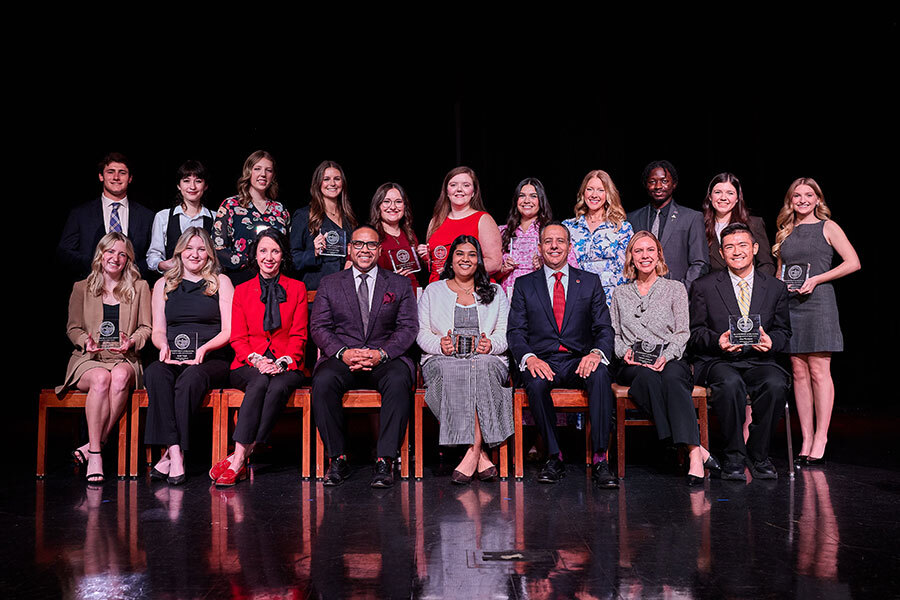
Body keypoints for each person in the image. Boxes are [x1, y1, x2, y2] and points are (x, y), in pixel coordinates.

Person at [507, 223, 617, 488]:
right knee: (534, 381)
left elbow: (603, 327)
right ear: (540, 247)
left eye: (560, 241)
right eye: (548, 241)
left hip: (579, 359)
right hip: (543, 360)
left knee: (601, 374)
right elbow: (515, 332)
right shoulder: (524, 285)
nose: (554, 246)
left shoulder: (589, 282)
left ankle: (601, 458)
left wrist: (596, 353)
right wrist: (530, 358)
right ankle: (554, 456)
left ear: (570, 246)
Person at [309, 225, 418, 488]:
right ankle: (338, 458)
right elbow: (319, 327)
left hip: (385, 358)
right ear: (349, 248)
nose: (364, 250)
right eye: (358, 244)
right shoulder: (330, 283)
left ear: (380, 250)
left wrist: (382, 353)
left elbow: (408, 328)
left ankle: (385, 460)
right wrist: (343, 353)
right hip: (343, 357)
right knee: (322, 383)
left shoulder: (399, 284)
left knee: (399, 380)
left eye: (370, 245)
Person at [610, 231, 720, 485]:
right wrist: (622, 352)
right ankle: (695, 449)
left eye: (650, 250)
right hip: (634, 363)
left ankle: (692, 453)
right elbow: (613, 332)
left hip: (670, 358)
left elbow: (683, 332)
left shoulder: (675, 288)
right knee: (647, 378)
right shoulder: (620, 293)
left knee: (672, 379)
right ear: (631, 257)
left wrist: (667, 356)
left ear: (659, 254)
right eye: (638, 251)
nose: (645, 255)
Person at [689, 223, 792, 481]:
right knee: (730, 383)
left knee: (776, 384)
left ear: (755, 249)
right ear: (722, 253)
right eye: (730, 247)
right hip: (719, 360)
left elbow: (783, 331)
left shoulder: (776, 287)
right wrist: (717, 341)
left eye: (743, 245)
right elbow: (694, 332)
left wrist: (771, 341)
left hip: (760, 360)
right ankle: (733, 455)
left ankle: (758, 455)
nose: (737, 252)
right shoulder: (704, 286)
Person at [772, 177, 860, 466]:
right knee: (798, 371)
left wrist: (817, 279)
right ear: (790, 201)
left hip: (819, 302)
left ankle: (821, 436)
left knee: (820, 371)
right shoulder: (785, 231)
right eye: (797, 196)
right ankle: (806, 438)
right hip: (791, 305)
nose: (803, 200)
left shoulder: (828, 227)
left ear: (818, 199)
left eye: (809, 195)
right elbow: (779, 272)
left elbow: (853, 262)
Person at [209, 229, 307, 486]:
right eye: (263, 251)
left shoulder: (296, 288)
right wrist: (258, 361)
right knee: (260, 382)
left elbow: (299, 335)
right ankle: (241, 456)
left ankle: (239, 456)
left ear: (282, 255)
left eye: (275, 251)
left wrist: (283, 361)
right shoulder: (242, 290)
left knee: (277, 387)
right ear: (255, 255)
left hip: (287, 362)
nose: (269, 257)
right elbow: (238, 338)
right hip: (247, 362)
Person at [57, 232, 152, 484]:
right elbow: (73, 327)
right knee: (101, 379)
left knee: (119, 377)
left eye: (122, 254)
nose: (115, 258)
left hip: (125, 358)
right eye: (110, 252)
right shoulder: (82, 288)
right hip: (89, 358)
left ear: (128, 260)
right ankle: (97, 454)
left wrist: (132, 341)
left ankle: (92, 445)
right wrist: (84, 340)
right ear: (101, 255)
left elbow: (146, 328)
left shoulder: (140, 287)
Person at [418, 235, 513, 484]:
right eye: (460, 253)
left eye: (472, 254)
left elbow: (504, 333)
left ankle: (470, 452)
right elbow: (421, 332)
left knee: (480, 367)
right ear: (451, 258)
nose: (465, 259)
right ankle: (480, 454)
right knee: (456, 371)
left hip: (486, 357)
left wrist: (490, 344)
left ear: (479, 260)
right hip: (443, 359)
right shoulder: (433, 291)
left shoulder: (494, 291)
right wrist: (441, 344)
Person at [143, 228, 234, 485]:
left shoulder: (221, 282)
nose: (195, 254)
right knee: (154, 372)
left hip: (211, 357)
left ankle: (172, 455)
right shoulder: (163, 284)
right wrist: (163, 347)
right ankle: (174, 450)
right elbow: (158, 330)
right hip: (173, 355)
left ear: (209, 254)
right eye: (189, 248)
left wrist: (203, 350)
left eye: (202, 249)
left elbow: (228, 330)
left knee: (190, 379)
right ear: (180, 252)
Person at [57, 152, 154, 279]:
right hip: (90, 284)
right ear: (101, 176)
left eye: (122, 173)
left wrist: (131, 271)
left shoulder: (147, 216)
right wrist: (96, 265)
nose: (116, 177)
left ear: (130, 178)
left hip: (133, 286)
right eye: (110, 172)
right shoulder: (80, 214)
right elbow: (64, 252)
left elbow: (153, 254)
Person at [627, 160, 708, 292]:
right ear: (646, 185)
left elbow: (700, 263)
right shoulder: (632, 219)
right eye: (652, 181)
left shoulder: (691, 218)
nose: (658, 186)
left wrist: (680, 291)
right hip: (639, 297)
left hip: (678, 298)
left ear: (674, 184)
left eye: (664, 181)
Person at [213, 150, 291, 284]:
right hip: (240, 279)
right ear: (248, 172)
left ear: (273, 176)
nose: (263, 174)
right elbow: (217, 247)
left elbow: (288, 248)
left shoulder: (280, 210)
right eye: (257, 169)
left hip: (275, 281)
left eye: (268, 170)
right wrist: (248, 260)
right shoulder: (231, 205)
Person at [497, 177, 578, 297]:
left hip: (540, 293)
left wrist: (545, 264)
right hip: (508, 294)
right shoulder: (503, 232)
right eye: (522, 196)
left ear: (541, 200)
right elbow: (489, 273)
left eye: (533, 196)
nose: (527, 200)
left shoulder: (551, 231)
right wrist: (503, 270)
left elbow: (571, 268)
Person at [563, 169, 634, 305]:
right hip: (575, 299)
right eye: (590, 189)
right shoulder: (568, 227)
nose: (594, 195)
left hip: (610, 300)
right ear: (583, 193)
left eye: (600, 190)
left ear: (608, 194)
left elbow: (626, 270)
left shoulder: (621, 228)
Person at [422, 166, 502, 282]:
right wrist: (425, 258)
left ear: (473, 192)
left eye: (466, 185)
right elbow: (435, 265)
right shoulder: (435, 221)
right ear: (446, 191)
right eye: (453, 185)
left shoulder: (483, 219)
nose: (459, 189)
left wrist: (455, 271)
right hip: (438, 290)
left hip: (471, 290)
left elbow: (495, 263)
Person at [290, 160, 357, 291]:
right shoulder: (304, 215)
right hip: (317, 292)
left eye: (337, 179)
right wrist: (313, 253)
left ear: (342, 183)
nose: (332, 183)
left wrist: (352, 256)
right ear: (318, 184)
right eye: (326, 179)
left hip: (347, 290)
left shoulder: (349, 218)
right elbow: (292, 260)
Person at [146, 160, 215, 275]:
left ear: (205, 186)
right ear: (179, 185)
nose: (192, 186)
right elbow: (153, 255)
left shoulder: (215, 217)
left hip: (206, 283)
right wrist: (164, 264)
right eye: (186, 181)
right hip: (173, 282)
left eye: (198, 181)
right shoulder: (163, 217)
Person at [701, 172, 775, 275]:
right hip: (711, 288)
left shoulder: (754, 224)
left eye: (730, 193)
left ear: (737, 198)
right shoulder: (699, 225)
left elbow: (767, 265)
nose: (723, 197)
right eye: (718, 192)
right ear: (710, 196)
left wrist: (752, 286)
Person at [369, 182, 421, 291]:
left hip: (412, 294)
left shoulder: (410, 235)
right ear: (378, 206)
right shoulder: (370, 236)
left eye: (398, 202)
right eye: (386, 201)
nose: (393, 207)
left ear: (404, 206)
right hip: (386, 297)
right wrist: (391, 278)